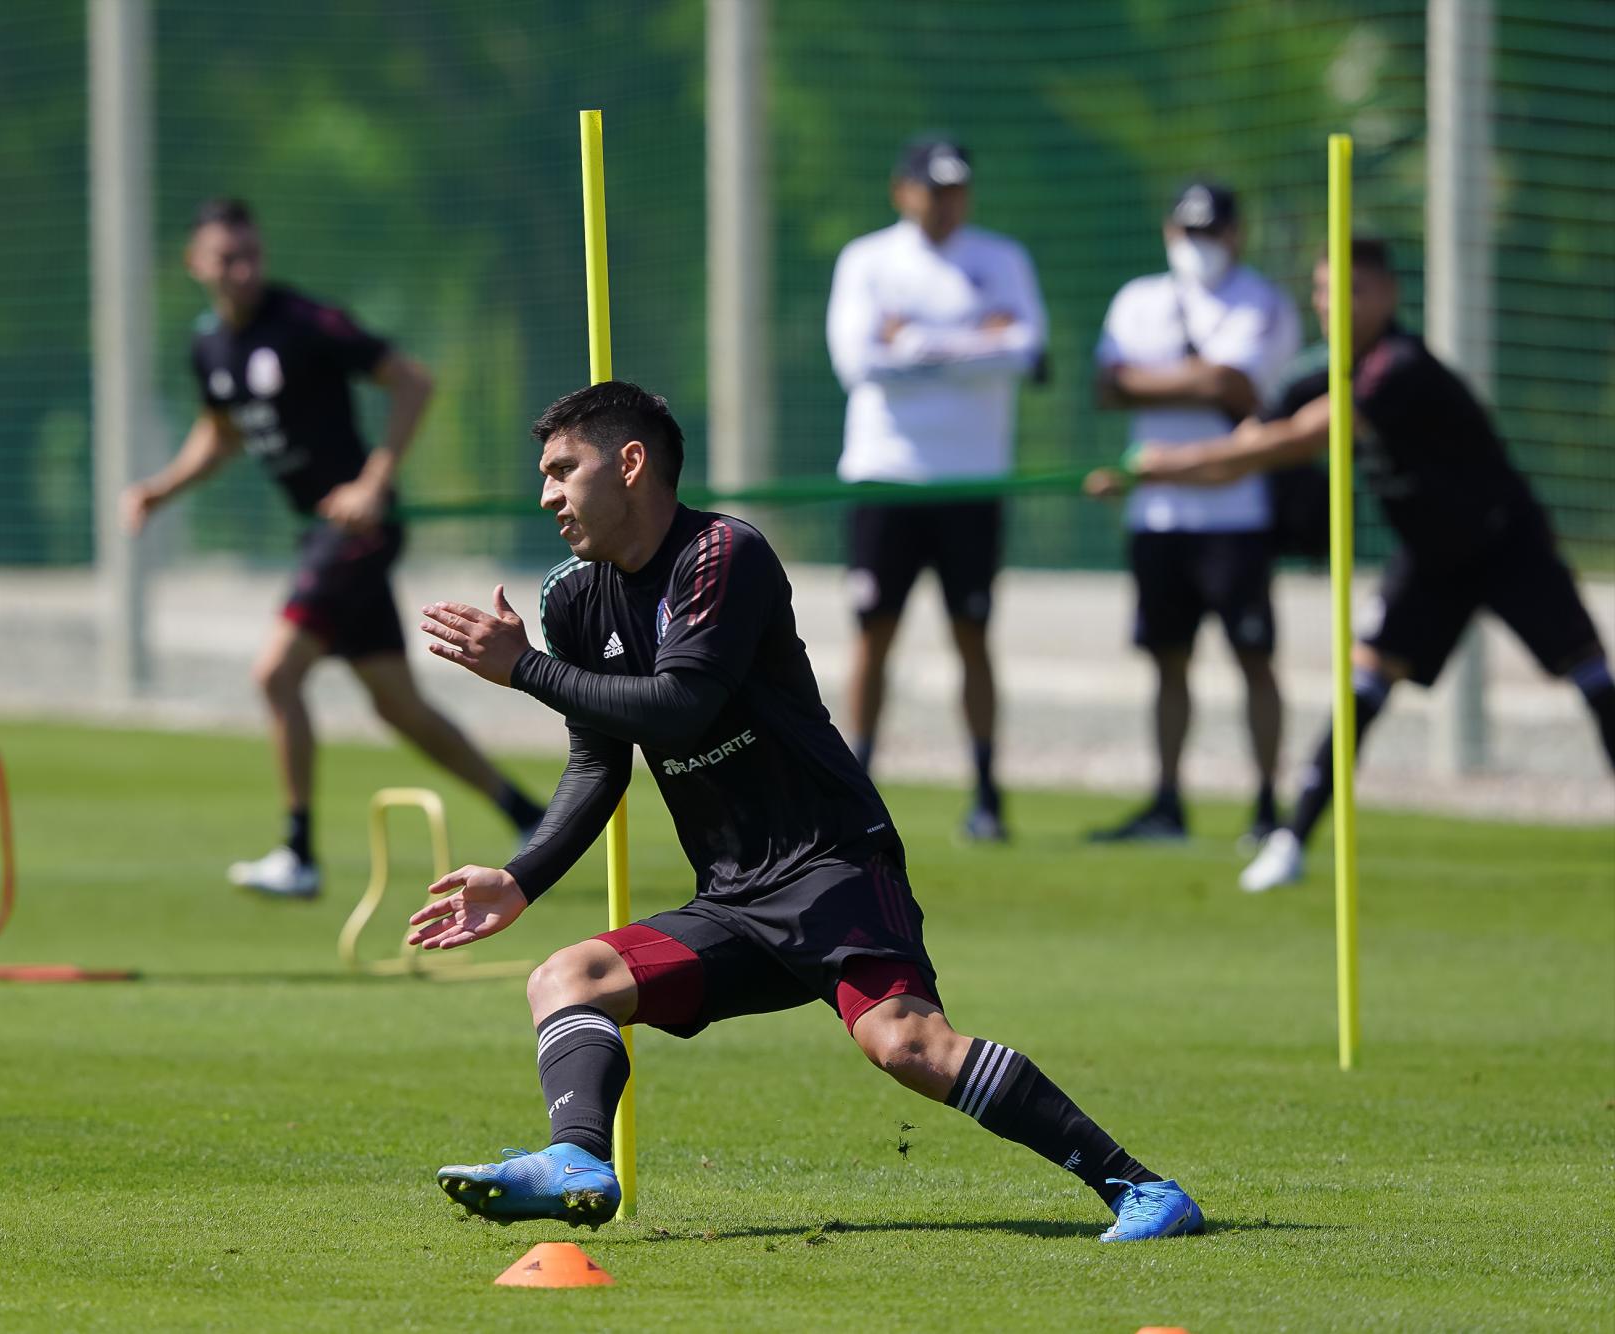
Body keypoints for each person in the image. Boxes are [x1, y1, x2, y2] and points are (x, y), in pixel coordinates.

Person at [407, 381, 1202, 1242]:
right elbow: (600, 760)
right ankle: (575, 1158)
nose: (547, 495)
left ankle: (1142, 1189)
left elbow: (682, 707)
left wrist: (524, 668)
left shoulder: (723, 554)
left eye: (564, 470)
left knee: (908, 1048)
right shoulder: (573, 598)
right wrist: (521, 881)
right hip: (733, 896)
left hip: (834, 866)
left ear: (630, 463)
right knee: (567, 979)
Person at [1117, 238, 1614, 891]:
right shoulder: (1322, 369)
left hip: (1504, 543)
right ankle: (1291, 841)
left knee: (1590, 673)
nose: (1332, 305)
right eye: (1323, 290)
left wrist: (1166, 466)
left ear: (1387, 296)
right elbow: (1252, 439)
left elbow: (1294, 442)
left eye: (1351, 291)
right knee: (1365, 683)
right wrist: (1151, 474)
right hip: (1432, 558)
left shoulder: (1396, 367)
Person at [121, 199, 543, 897]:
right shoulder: (209, 346)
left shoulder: (305, 323)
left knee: (274, 675)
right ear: (195, 264)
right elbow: (221, 433)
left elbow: (413, 381)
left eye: (252, 253)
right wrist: (159, 491)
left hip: (353, 531)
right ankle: (530, 816)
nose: (243, 269)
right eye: (227, 257)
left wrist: (373, 481)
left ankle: (299, 855)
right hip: (320, 534)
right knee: (397, 706)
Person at [825, 134, 1048, 842]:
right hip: (886, 475)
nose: (946, 203)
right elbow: (859, 359)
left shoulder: (1002, 258)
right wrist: (973, 340)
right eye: (933, 188)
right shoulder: (867, 260)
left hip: (973, 479)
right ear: (903, 190)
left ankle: (986, 792)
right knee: (873, 633)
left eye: (957, 189)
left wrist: (917, 341)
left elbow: (1028, 347)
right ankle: (854, 791)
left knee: (974, 634)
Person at [1087, 182, 1301, 843]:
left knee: (1253, 657)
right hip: (1158, 517)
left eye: (1211, 232)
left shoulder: (1264, 302)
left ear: (1236, 234)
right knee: (1167, 659)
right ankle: (1168, 802)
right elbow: (1107, 385)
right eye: (1188, 231)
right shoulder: (1138, 299)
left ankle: (1267, 805)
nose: (1198, 246)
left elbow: (1233, 384)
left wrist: (1148, 379)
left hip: (1235, 514)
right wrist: (1191, 375)